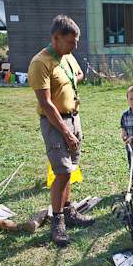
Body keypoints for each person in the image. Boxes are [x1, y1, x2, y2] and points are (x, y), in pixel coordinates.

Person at [28, 15, 94, 247]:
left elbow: (79, 73)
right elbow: (46, 103)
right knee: (62, 172)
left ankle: (69, 212)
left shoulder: (67, 56)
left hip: (73, 118)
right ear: (56, 37)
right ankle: (57, 222)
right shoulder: (40, 63)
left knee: (71, 169)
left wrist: (68, 83)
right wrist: (66, 133)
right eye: (71, 41)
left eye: (76, 41)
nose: (75, 46)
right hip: (55, 124)